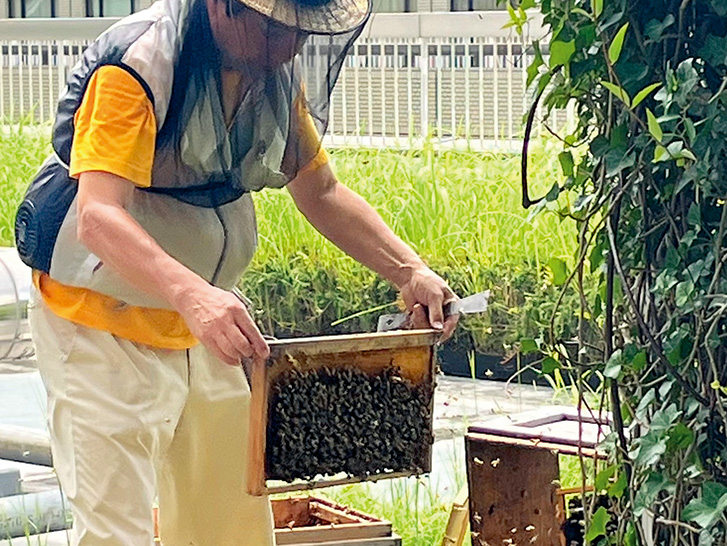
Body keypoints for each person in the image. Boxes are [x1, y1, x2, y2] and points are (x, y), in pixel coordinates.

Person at [14, 0, 459, 543]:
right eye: (276, 29)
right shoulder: (138, 64)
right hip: (99, 327)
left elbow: (321, 191)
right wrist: (194, 295)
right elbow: (98, 217)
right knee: (116, 531)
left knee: (230, 525)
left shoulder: (271, 71)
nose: (289, 46)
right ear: (224, 8)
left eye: (300, 32)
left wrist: (408, 271)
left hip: (206, 326)